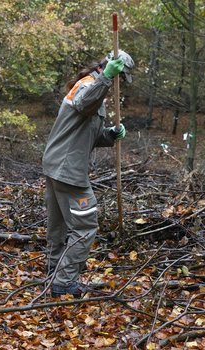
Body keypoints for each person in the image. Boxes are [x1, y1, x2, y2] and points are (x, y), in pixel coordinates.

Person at [42, 50, 134, 298]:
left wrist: (110, 135)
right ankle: (63, 281)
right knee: (85, 226)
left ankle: (54, 269)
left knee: (59, 224)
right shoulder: (90, 85)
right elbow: (84, 105)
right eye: (120, 77)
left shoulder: (94, 90)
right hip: (67, 169)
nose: (119, 83)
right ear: (111, 68)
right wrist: (105, 77)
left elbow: (85, 135)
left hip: (58, 164)